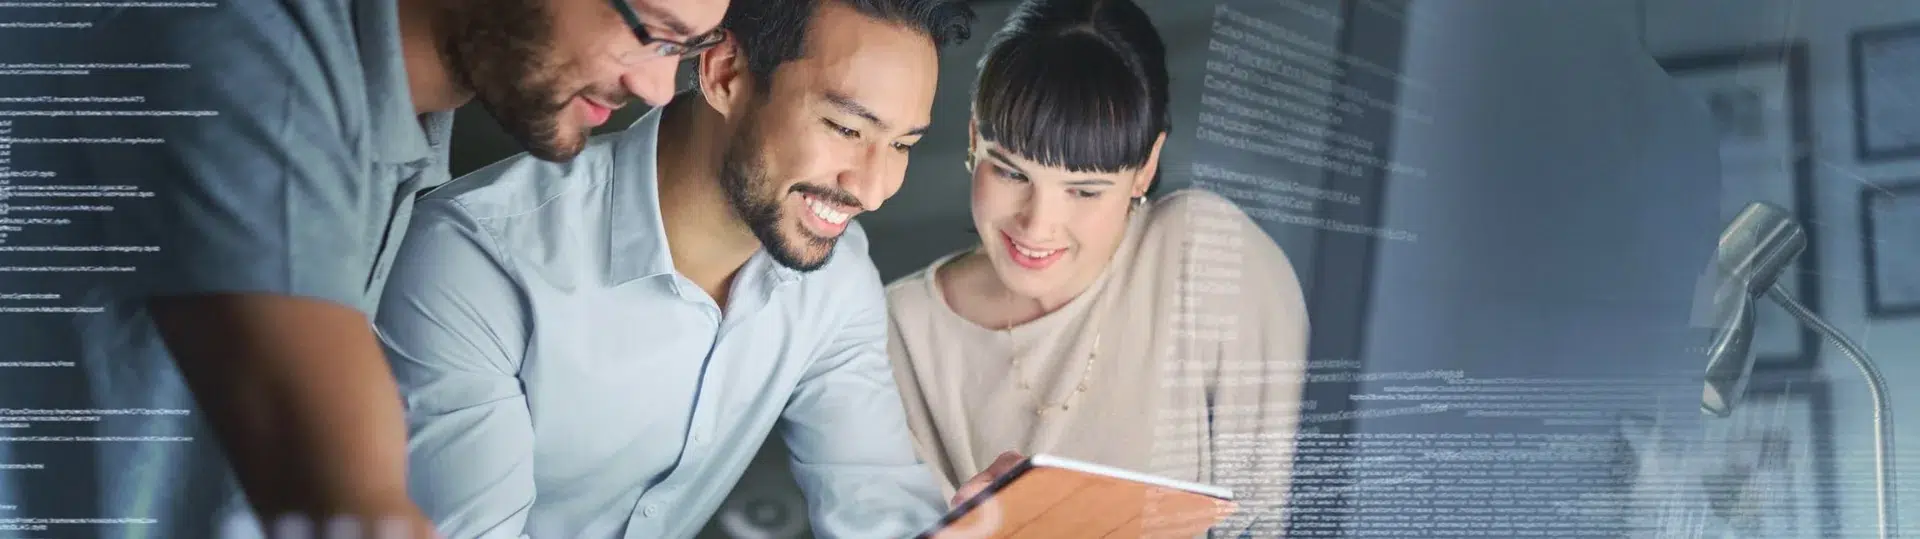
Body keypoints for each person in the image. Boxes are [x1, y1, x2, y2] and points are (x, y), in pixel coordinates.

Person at [0, 0, 726, 537]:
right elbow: (347, 505)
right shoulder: (254, 58)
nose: (659, 90)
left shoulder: (391, 104)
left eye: (687, 50)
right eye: (648, 32)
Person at [371, 0, 975, 537]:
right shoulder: (475, 258)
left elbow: (876, 499)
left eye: (902, 145)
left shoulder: (837, 278)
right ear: (724, 74)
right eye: (846, 128)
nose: (871, 189)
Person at [883, 0, 1309, 535]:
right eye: (1012, 174)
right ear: (974, 140)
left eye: (1084, 190)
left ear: (1145, 167)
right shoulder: (898, 329)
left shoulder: (1207, 259)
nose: (1038, 226)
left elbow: (1275, 518)